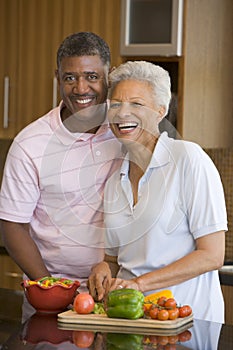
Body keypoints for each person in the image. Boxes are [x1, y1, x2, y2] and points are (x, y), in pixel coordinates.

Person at [88, 61, 228, 323]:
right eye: (116, 104)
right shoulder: (113, 181)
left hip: (186, 321)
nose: (122, 113)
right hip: (131, 318)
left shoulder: (188, 159)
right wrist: (103, 268)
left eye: (136, 104)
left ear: (160, 111)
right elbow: (114, 258)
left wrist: (140, 284)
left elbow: (212, 254)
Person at [0, 32, 123, 292]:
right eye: (70, 78)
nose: (81, 88)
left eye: (92, 77)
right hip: (53, 289)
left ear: (108, 76)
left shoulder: (126, 130)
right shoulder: (30, 144)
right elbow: (13, 225)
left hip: (120, 286)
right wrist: (51, 287)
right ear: (57, 78)